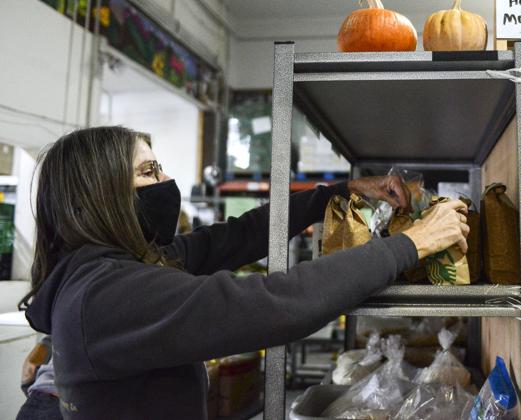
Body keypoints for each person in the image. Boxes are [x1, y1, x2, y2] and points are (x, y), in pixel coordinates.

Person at [19, 126, 469, 419]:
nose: (165, 182)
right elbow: (275, 303)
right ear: (104, 196)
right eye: (149, 171)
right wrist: (412, 244)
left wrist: (337, 192)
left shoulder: (118, 269)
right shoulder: (108, 293)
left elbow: (235, 237)